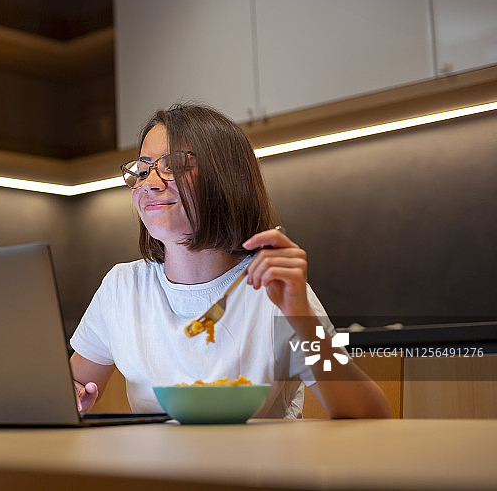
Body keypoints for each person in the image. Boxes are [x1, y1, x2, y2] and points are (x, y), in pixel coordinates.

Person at [69, 103, 391, 419]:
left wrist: (302, 318)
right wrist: (73, 395)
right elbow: (75, 386)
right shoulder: (122, 288)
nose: (150, 183)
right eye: (142, 169)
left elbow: (370, 416)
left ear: (225, 180)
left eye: (174, 166)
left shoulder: (275, 290)